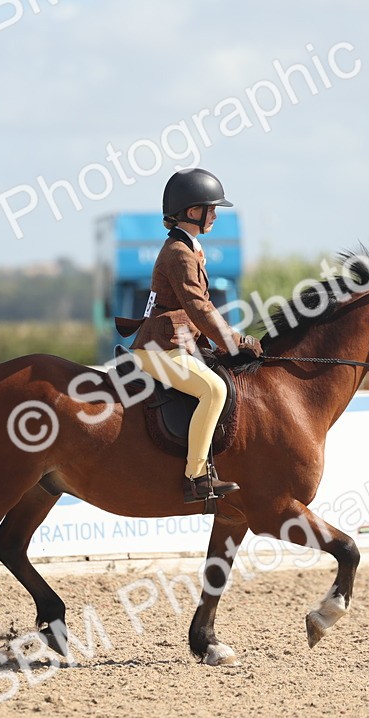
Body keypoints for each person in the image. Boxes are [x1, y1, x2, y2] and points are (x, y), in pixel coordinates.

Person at [128, 168, 263, 503]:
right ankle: (197, 477)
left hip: (177, 343)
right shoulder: (179, 253)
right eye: (211, 208)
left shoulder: (188, 247)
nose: (215, 214)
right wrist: (233, 340)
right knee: (213, 390)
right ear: (192, 212)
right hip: (159, 349)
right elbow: (199, 307)